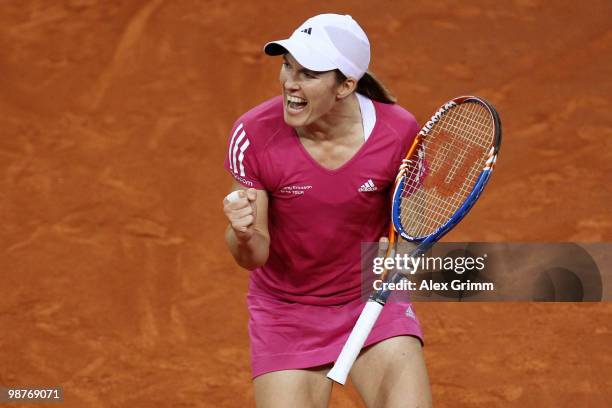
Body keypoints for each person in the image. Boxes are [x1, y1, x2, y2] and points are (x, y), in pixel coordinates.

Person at [223, 13, 432, 408]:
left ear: (346, 85)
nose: (289, 82)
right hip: (287, 312)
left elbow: (410, 231)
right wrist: (244, 233)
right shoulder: (253, 135)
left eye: (309, 74)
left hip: (371, 300)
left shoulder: (399, 134)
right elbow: (253, 257)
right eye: (287, 65)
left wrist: (405, 256)